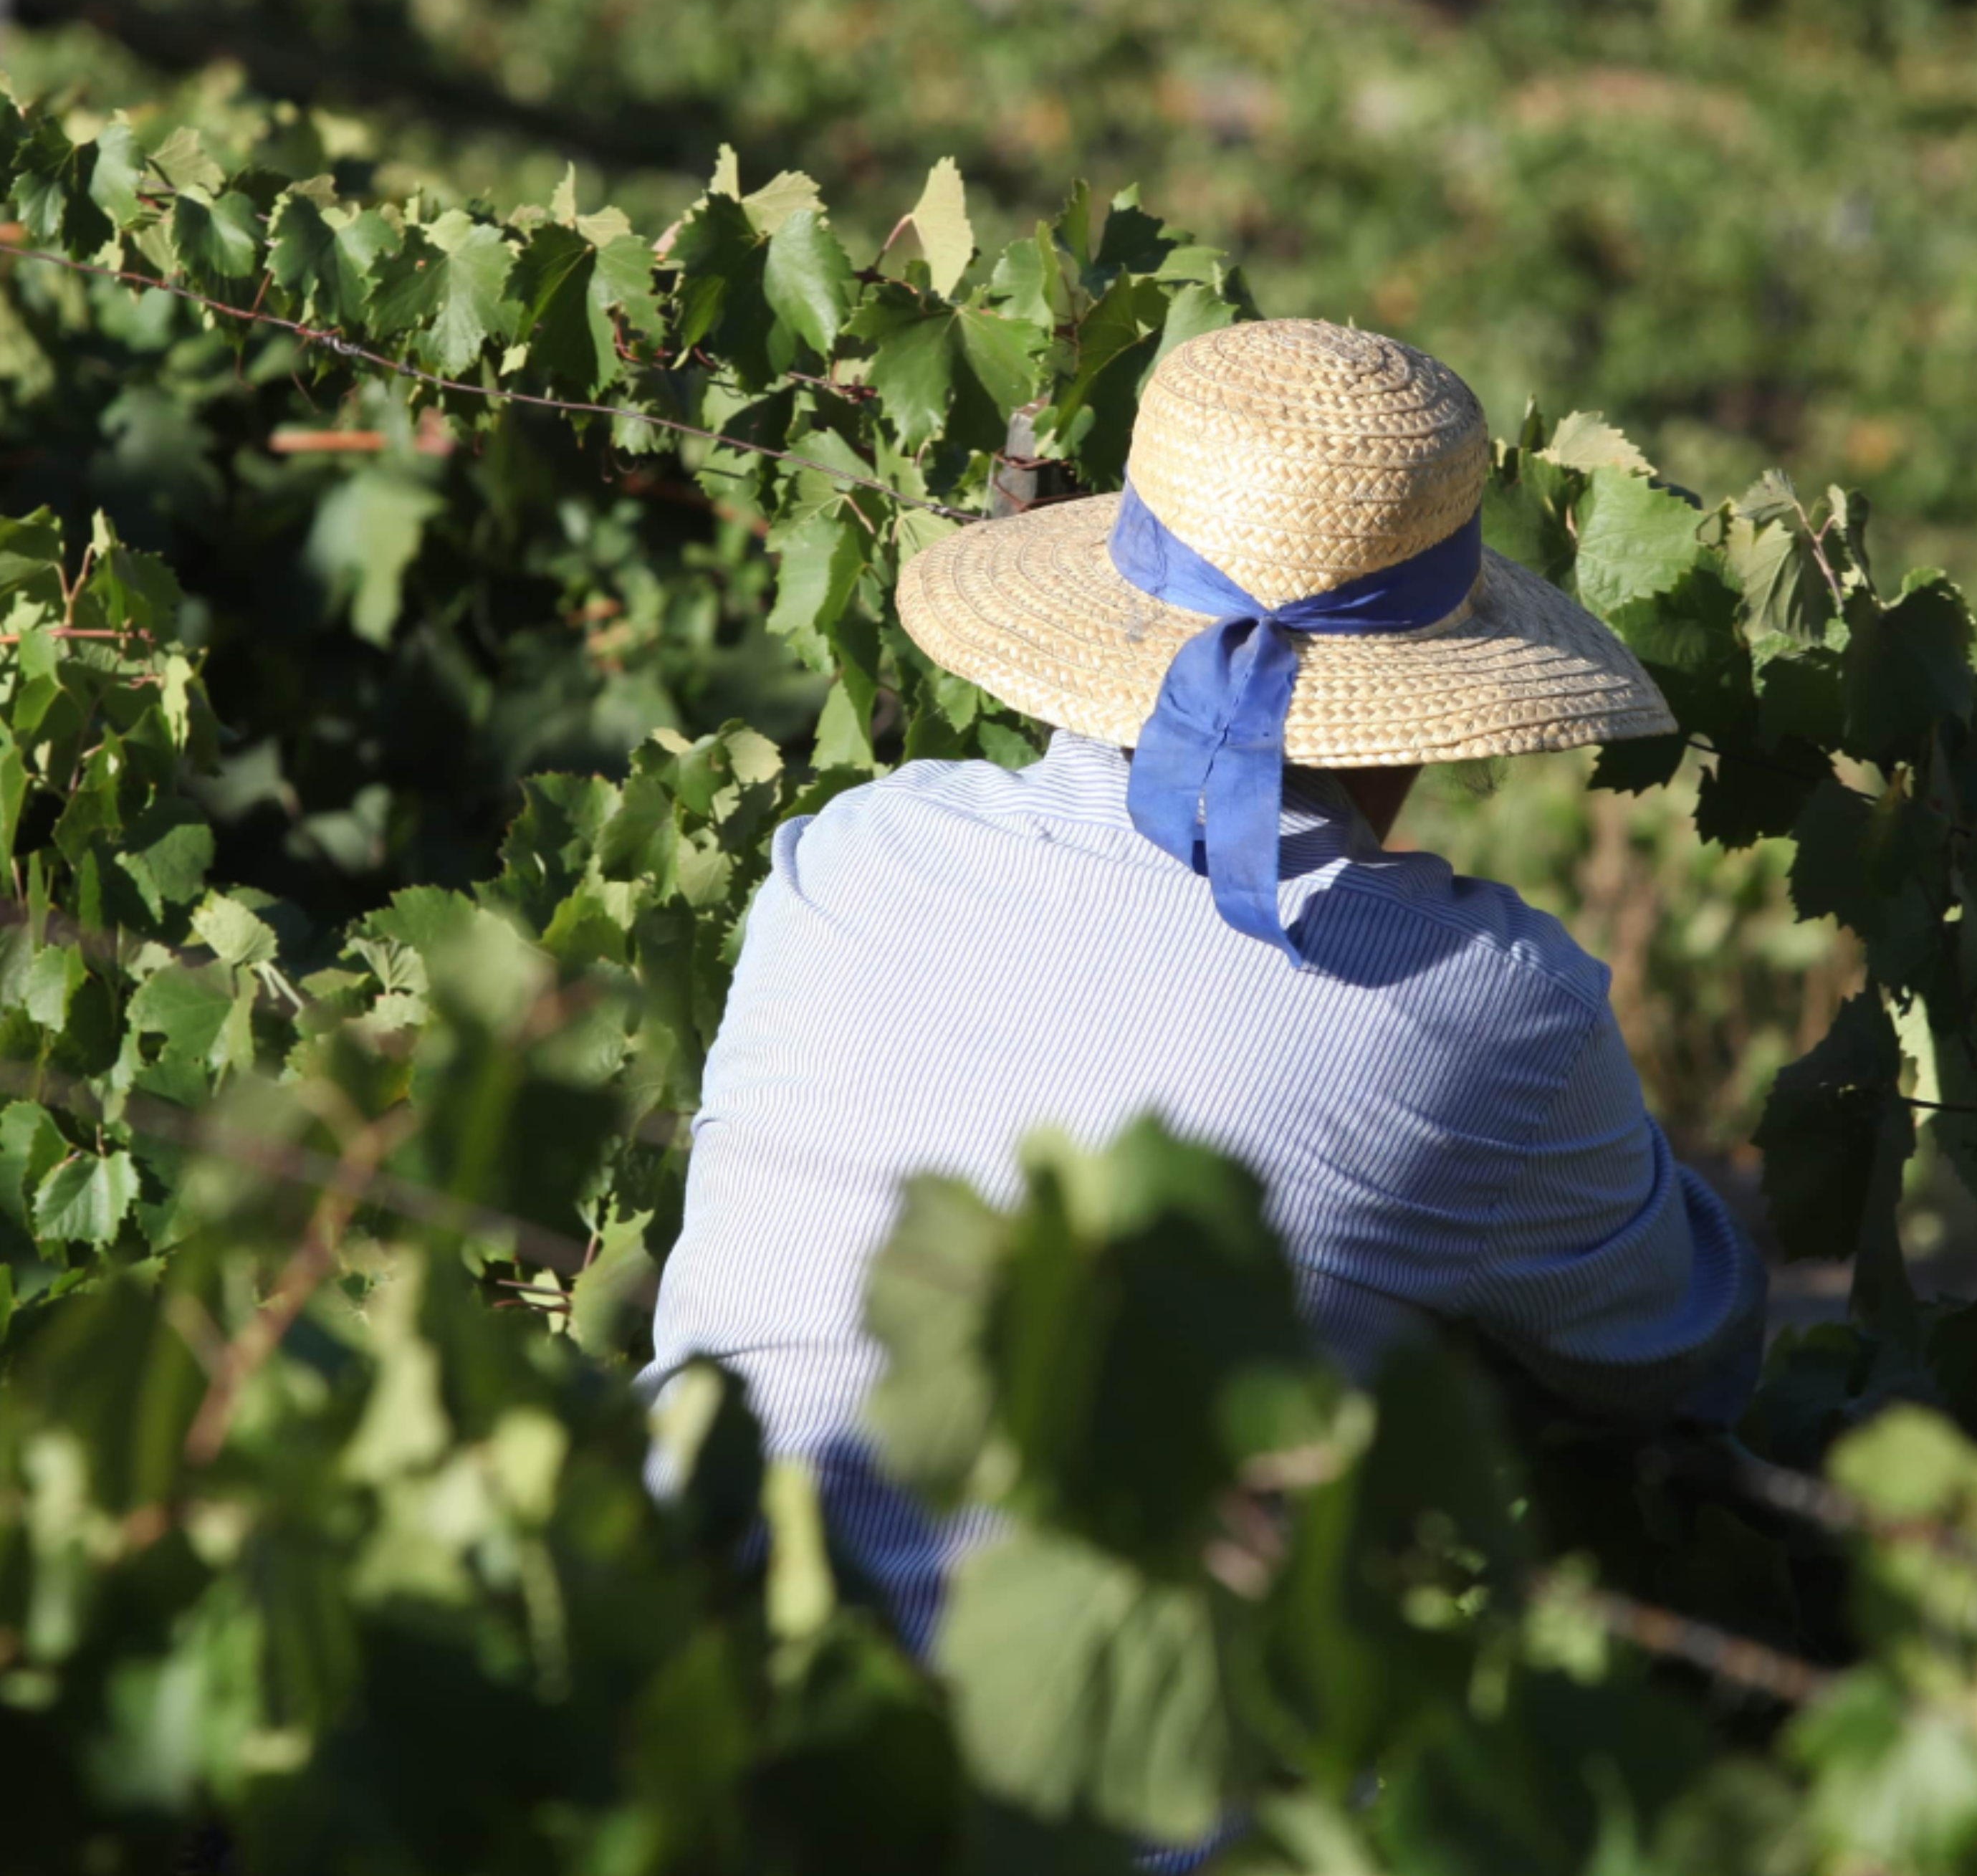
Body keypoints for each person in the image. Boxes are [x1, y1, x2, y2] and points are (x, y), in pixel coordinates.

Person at [640, 315, 1766, 1655]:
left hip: (667, 1688)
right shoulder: (1495, 1004)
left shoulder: (848, 857)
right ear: (1431, 712)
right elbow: (1675, 1355)